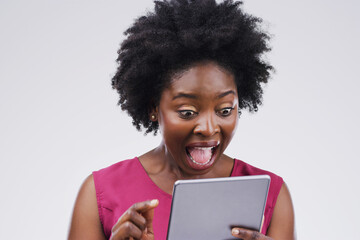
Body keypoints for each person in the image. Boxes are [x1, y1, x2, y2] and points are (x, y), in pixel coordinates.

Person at [68, 0, 295, 239]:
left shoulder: (273, 196)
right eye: (187, 112)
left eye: (225, 110)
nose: (209, 128)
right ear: (153, 107)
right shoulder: (99, 193)